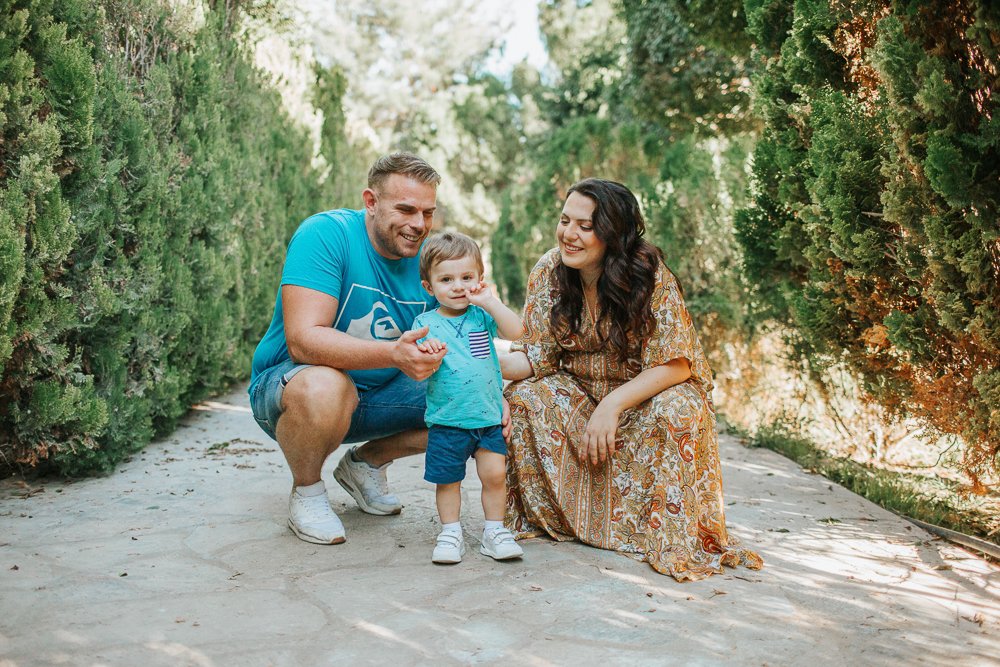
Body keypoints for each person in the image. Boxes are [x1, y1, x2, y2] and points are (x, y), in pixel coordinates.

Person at [501, 178, 763, 581]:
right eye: (564, 220)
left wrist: (612, 405)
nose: (569, 234)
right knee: (524, 396)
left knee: (680, 406)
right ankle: (567, 520)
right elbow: (537, 356)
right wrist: (480, 369)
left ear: (613, 231)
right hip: (579, 397)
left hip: (641, 401)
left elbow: (677, 365)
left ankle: (660, 531)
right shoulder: (549, 271)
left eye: (585, 226)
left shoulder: (648, 273)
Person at [248, 152, 447, 545]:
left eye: (427, 213)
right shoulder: (326, 234)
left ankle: (366, 463)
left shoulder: (429, 259)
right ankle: (307, 491)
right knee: (325, 386)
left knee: (479, 399)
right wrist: (393, 353)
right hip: (293, 392)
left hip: (381, 395)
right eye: (405, 209)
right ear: (370, 202)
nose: (418, 225)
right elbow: (303, 340)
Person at [412, 232, 525, 564]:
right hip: (448, 420)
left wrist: (490, 301)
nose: (458, 286)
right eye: (446, 279)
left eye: (466, 277)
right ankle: (450, 533)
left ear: (479, 279)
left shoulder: (481, 316)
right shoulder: (425, 323)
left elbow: (517, 331)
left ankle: (494, 531)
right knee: (449, 481)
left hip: (488, 418)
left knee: (494, 476)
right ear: (429, 287)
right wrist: (426, 348)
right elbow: (418, 357)